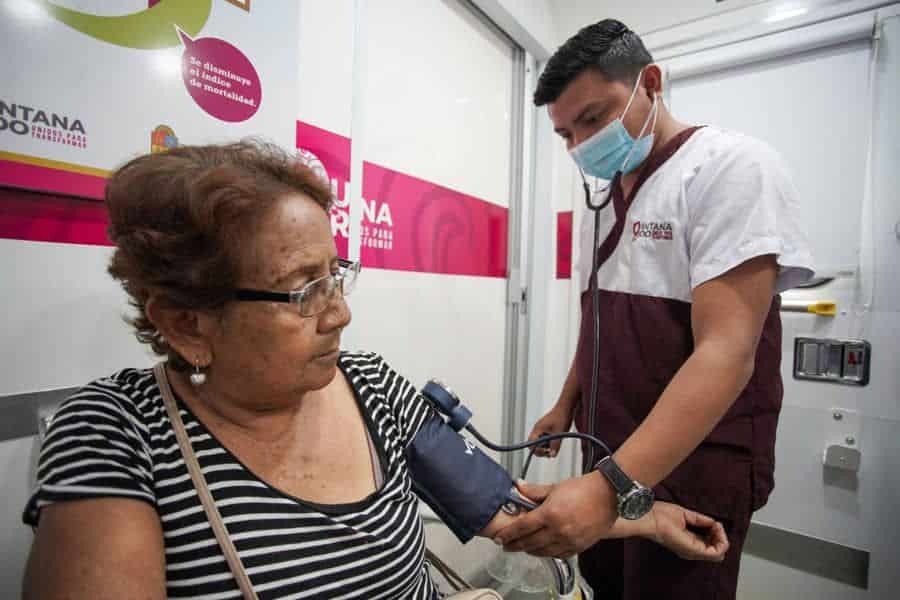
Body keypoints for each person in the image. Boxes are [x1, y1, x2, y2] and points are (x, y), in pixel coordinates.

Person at [22, 140, 728, 600]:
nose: (340, 316)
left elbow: (507, 513)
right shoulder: (117, 435)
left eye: (337, 278)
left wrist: (639, 516)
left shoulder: (370, 388)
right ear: (187, 322)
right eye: (304, 292)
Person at [494, 19, 814, 600]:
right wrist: (565, 405)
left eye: (593, 118)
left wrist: (609, 485)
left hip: (695, 467)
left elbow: (727, 352)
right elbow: (603, 321)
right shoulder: (609, 194)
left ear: (651, 82)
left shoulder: (730, 168)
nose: (581, 145)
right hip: (611, 455)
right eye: (566, 133)